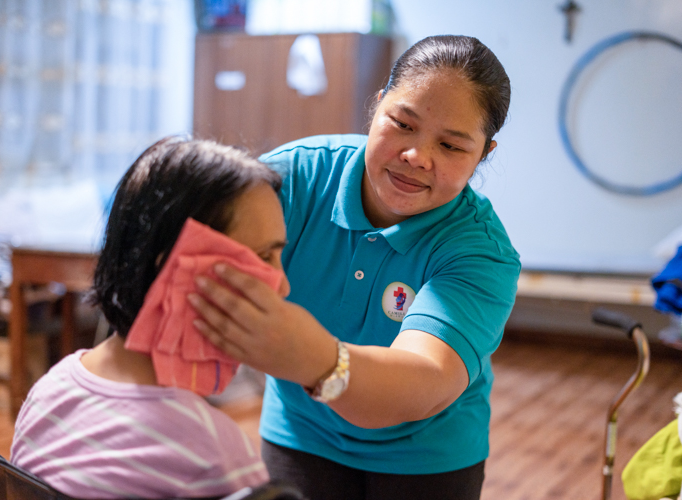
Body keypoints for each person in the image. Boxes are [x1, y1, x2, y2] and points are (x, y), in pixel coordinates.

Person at [188, 35, 521, 499]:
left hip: (427, 455)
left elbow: (422, 380)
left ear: (483, 153)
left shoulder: (479, 252)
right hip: (301, 432)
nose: (416, 157)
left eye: (450, 146)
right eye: (403, 124)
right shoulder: (292, 181)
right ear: (378, 106)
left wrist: (311, 355)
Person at [10, 137, 291, 499]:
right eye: (263, 257)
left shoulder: (49, 391)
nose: (282, 286)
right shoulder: (212, 452)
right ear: (178, 271)